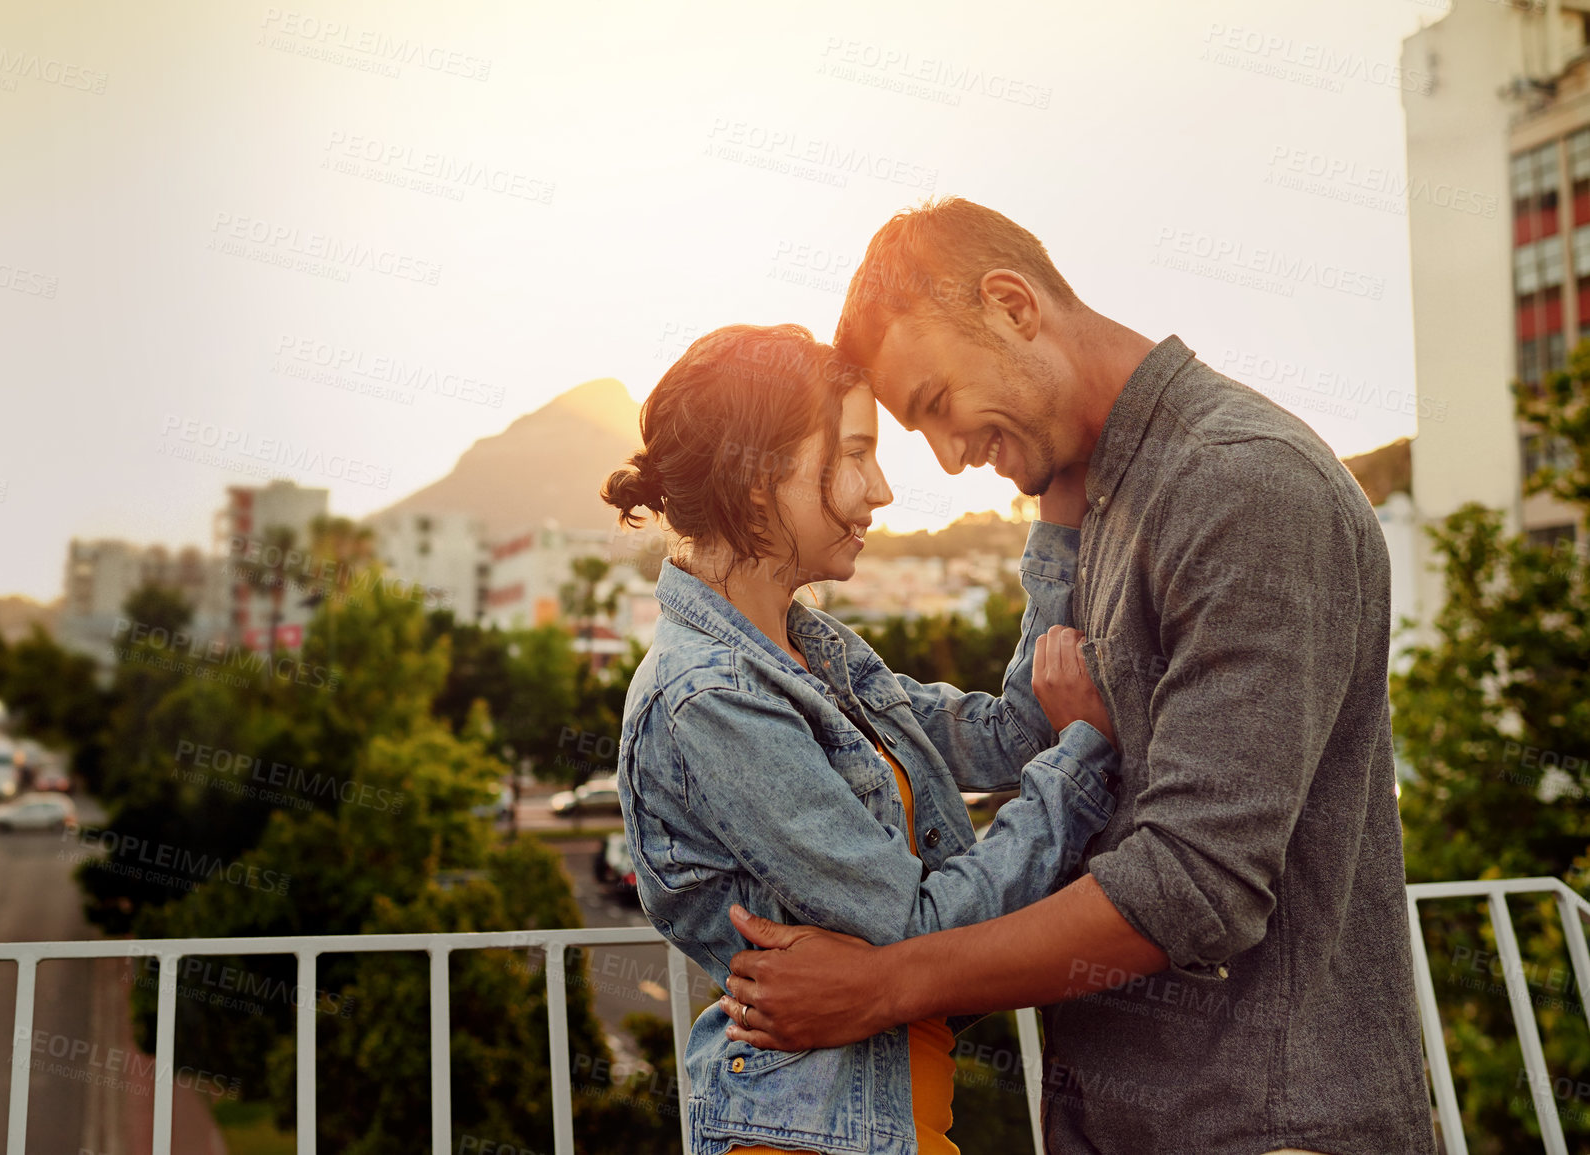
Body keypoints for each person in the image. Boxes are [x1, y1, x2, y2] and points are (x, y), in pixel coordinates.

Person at [714, 197, 1435, 1155]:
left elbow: (1194, 884)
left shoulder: (1242, 486)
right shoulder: (1105, 496)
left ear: (1013, 307)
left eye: (934, 405)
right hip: (1135, 1116)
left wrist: (888, 984)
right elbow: (1031, 740)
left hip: (1259, 1122)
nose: (947, 456)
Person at [601, 322, 1120, 1155]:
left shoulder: (813, 654)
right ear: (758, 475)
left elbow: (1006, 732)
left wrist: (1057, 517)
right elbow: (915, 926)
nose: (879, 489)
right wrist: (1082, 756)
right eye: (853, 454)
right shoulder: (708, 699)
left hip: (887, 1124)